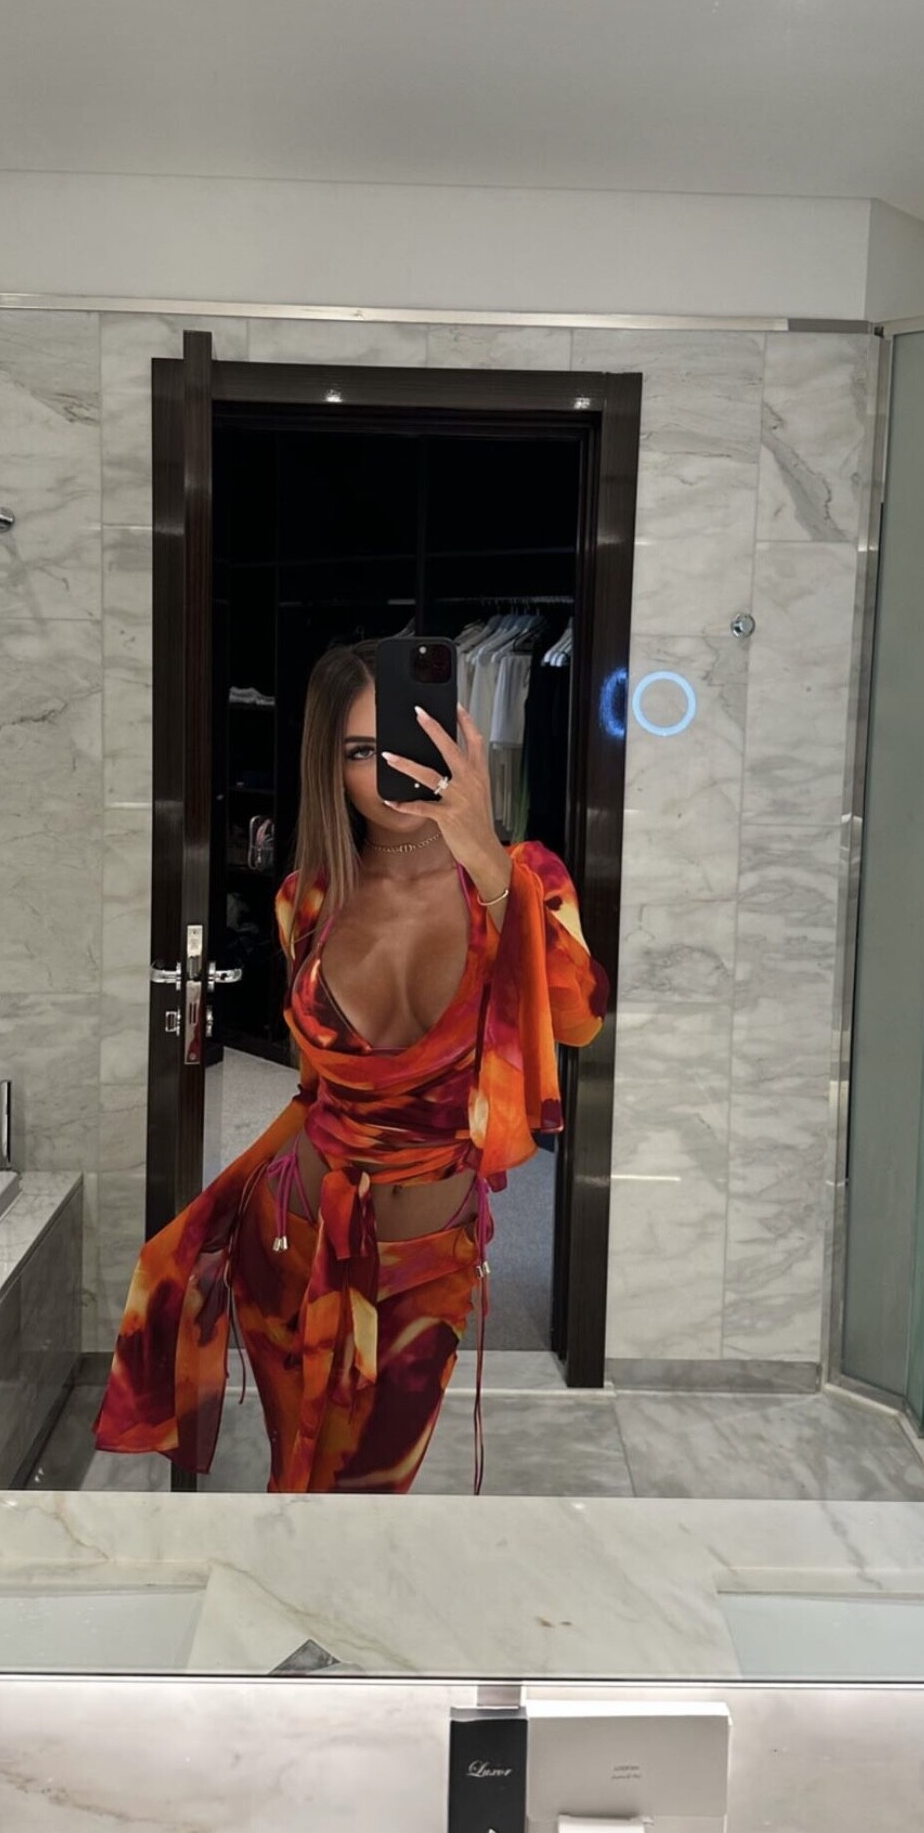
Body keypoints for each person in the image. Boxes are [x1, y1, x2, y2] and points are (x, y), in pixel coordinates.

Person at [93, 638, 609, 1494]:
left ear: (458, 744)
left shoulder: (526, 880)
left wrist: (486, 861)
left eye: (409, 740)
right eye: (362, 751)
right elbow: (317, 1087)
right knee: (295, 1482)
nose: (391, 771)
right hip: (293, 1233)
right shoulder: (307, 899)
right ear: (330, 766)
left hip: (428, 1260)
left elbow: (581, 1017)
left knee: (372, 1491)